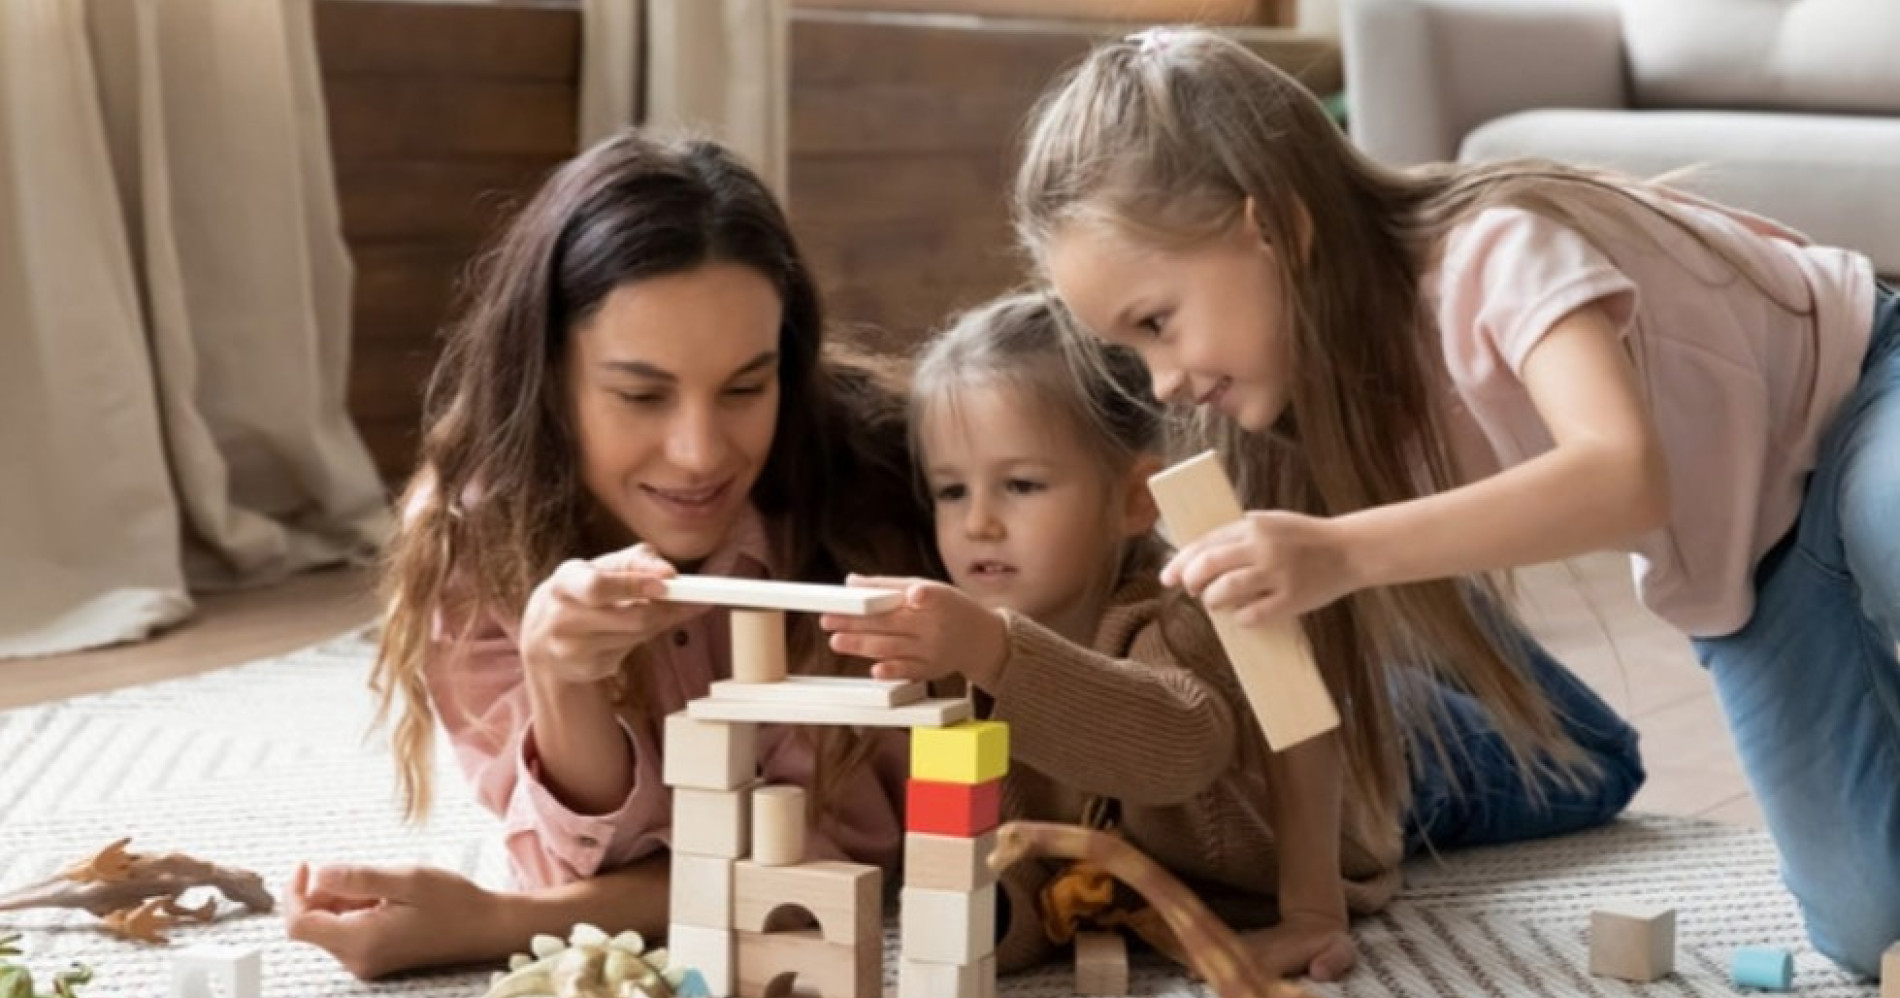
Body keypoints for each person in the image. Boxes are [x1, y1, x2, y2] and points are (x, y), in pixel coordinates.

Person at [1011, 25, 1900, 976]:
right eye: (1132, 350)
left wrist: (1341, 550)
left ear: (1277, 229)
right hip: (1754, 557)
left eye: (1158, 323)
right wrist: (1313, 907)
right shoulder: (1288, 426)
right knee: (1867, 931)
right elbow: (1303, 677)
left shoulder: (1497, 248)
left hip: (1862, 387)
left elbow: (1621, 474)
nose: (1163, 383)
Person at [823, 291, 1643, 981]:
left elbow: (1175, 747)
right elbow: (1021, 861)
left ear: (1135, 502)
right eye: (952, 491)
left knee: (1598, 763)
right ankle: (1371, 624)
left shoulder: (1177, 618)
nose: (980, 524)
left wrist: (1313, 909)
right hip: (1276, 709)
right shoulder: (962, 655)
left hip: (1372, 773)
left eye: (1022, 485)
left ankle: (1419, 603)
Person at [283, 131, 934, 979]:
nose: (700, 452)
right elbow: (581, 864)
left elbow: (816, 860)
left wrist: (497, 923)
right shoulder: (479, 542)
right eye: (640, 394)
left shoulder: (874, 490)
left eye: (746, 387)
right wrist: (560, 679)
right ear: (550, 376)